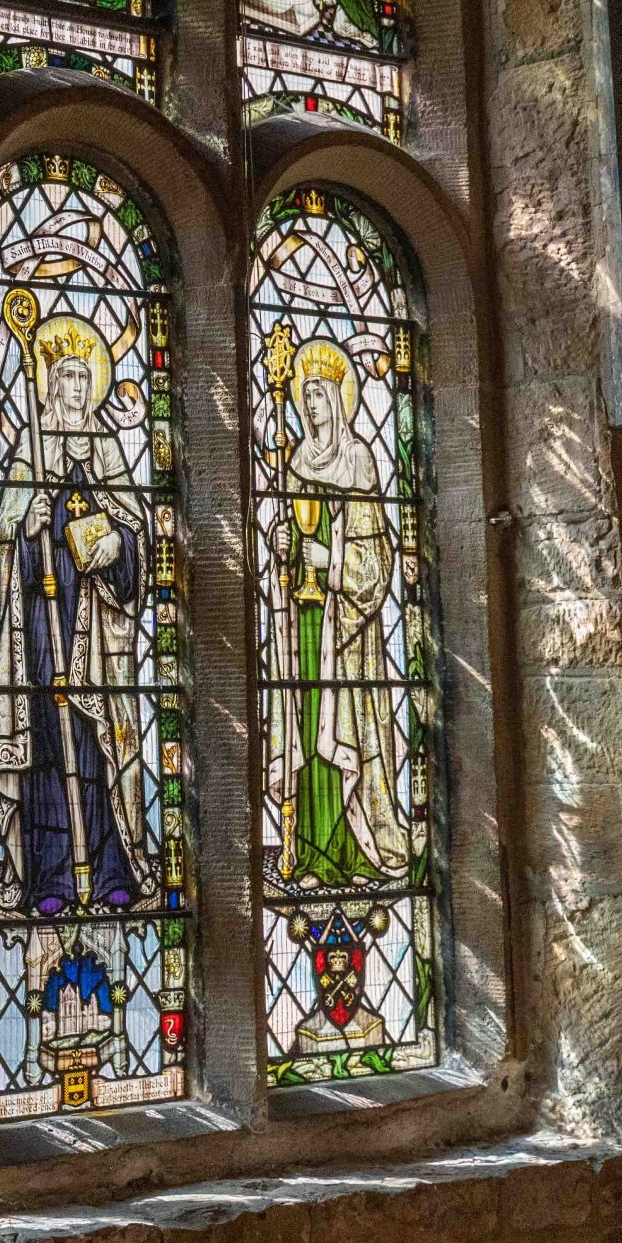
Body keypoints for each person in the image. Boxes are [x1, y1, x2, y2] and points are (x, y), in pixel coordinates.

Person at [0, 320, 147, 915]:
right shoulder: (32, 446)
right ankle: (50, 877)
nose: (77, 388)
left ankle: (109, 868)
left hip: (97, 628)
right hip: (40, 622)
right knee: (49, 743)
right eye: (68, 377)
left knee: (97, 741)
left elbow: (136, 533)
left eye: (85, 377)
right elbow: (2, 533)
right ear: (51, 383)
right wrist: (25, 525)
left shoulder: (105, 449)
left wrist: (119, 548)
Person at [265, 337, 409, 889]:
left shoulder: (359, 461)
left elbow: (377, 562)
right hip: (301, 625)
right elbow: (291, 535)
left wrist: (330, 561)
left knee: (339, 735)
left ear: (339, 399)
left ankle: (353, 851)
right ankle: (306, 853)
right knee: (303, 729)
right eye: (303, 395)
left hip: (344, 633)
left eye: (319, 394)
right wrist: (282, 542)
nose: (309, 403)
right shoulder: (294, 460)